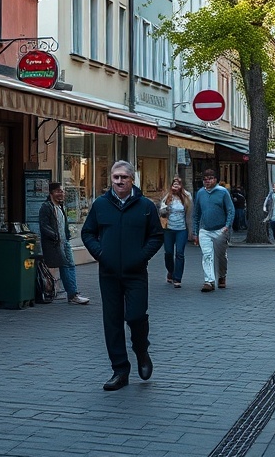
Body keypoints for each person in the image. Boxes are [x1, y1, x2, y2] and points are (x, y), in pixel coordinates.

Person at [81, 160, 164, 391]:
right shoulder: (101, 205)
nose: (119, 181)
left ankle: (141, 349)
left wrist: (141, 257)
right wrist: (100, 253)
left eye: (124, 177)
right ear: (111, 179)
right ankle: (120, 370)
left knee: (136, 316)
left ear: (132, 180)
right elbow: (87, 233)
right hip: (108, 273)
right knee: (112, 321)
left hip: (136, 272)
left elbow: (156, 236)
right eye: (115, 177)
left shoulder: (145, 206)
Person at [39, 182, 90, 304]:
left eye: (62, 191)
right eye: (58, 191)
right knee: (65, 266)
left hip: (64, 241)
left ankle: (71, 293)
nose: (61, 193)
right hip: (55, 243)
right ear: (51, 193)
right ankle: (71, 294)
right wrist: (55, 236)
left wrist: (66, 236)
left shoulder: (61, 206)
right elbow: (44, 225)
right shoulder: (47, 207)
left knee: (69, 266)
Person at [192, 169, 234, 292]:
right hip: (205, 230)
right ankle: (209, 281)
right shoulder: (200, 193)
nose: (207, 181)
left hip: (220, 229)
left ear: (215, 180)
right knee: (207, 255)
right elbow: (196, 214)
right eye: (205, 179)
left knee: (221, 256)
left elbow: (230, 210)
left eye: (210, 178)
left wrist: (227, 226)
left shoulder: (223, 192)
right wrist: (195, 232)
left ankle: (222, 276)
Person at [157, 177, 192, 287]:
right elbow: (161, 212)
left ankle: (177, 278)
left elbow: (190, 214)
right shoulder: (167, 196)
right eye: (174, 184)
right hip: (168, 229)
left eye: (178, 184)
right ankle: (171, 271)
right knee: (168, 252)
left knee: (180, 253)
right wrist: (164, 208)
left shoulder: (187, 197)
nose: (175, 187)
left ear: (181, 186)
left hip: (181, 229)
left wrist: (192, 231)